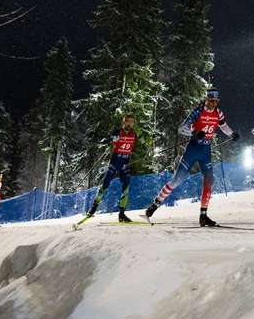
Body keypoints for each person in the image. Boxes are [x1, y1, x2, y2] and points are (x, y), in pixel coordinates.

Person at [144, 87, 240, 227]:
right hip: (193, 149)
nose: (213, 103)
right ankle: (154, 205)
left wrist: (232, 134)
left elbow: (223, 126)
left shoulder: (218, 113)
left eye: (215, 101)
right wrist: (194, 133)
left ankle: (203, 216)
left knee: (209, 181)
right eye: (210, 100)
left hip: (205, 151)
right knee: (177, 180)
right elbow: (182, 128)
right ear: (206, 99)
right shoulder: (198, 111)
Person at [87, 112, 137, 222]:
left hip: (125, 162)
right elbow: (104, 141)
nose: (130, 124)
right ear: (124, 122)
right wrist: (111, 139)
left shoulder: (134, 134)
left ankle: (122, 214)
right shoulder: (117, 132)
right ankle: (93, 209)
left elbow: (134, 147)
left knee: (126, 185)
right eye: (128, 121)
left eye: (132, 122)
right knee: (105, 183)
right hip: (115, 161)